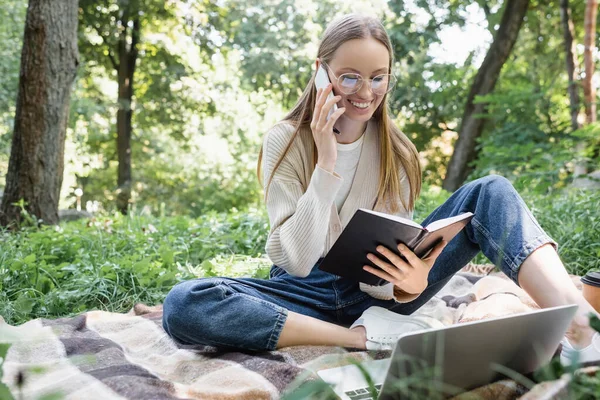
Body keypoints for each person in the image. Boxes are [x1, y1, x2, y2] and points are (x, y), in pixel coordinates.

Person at [162, 14, 600, 364]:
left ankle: (584, 331)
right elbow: (294, 260)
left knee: (492, 190)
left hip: (375, 293)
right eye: (349, 77)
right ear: (321, 72)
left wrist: (411, 283)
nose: (365, 92)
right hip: (301, 294)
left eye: (378, 77)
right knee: (185, 302)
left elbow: (388, 270)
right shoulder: (286, 140)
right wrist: (326, 161)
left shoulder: (398, 152)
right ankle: (356, 340)